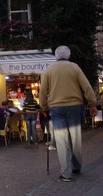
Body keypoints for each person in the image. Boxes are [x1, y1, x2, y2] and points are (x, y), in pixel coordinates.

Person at [39, 45, 97, 182]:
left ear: (56, 56)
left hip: (57, 107)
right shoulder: (74, 67)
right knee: (75, 137)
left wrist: (44, 107)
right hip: (74, 106)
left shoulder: (49, 70)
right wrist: (92, 103)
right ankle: (76, 167)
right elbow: (86, 86)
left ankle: (65, 173)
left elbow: (42, 91)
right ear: (69, 55)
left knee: (61, 139)